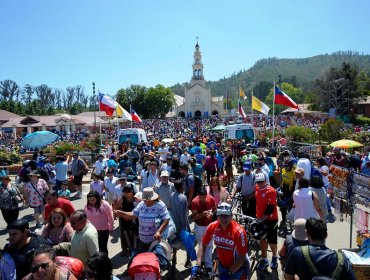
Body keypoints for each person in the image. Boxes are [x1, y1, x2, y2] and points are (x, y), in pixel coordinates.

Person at [284, 218, 355, 280]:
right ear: (326, 235)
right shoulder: (341, 258)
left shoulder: (297, 252)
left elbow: (287, 277)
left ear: (306, 233)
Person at [193, 203, 249, 279]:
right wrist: (198, 264)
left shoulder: (239, 232)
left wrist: (229, 272)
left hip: (237, 268)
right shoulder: (212, 226)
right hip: (222, 266)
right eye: (221, 215)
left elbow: (242, 257)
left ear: (231, 216)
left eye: (227, 215)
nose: (224, 218)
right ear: (217, 216)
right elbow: (203, 245)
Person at [113, 187, 170, 252]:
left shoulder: (160, 205)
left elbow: (166, 219)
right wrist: (121, 213)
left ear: (153, 198)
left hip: (155, 240)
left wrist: (159, 231)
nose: (146, 201)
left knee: (154, 260)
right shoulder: (142, 204)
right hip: (142, 239)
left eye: (148, 200)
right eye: (145, 199)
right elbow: (133, 214)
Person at [254, 173, 279, 270]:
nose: (259, 183)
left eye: (261, 181)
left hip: (271, 220)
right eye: (258, 182)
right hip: (260, 219)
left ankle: (274, 257)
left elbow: (270, 208)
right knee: (262, 240)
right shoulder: (256, 188)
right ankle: (264, 259)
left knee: (272, 241)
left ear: (265, 180)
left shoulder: (271, 191)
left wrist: (261, 219)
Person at [190, 187, 216, 274]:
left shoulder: (211, 199)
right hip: (199, 226)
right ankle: (201, 262)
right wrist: (202, 214)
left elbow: (215, 210)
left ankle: (208, 265)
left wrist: (212, 214)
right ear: (198, 196)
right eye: (200, 197)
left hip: (209, 226)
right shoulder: (194, 202)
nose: (203, 199)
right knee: (201, 245)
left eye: (204, 197)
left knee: (209, 245)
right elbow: (194, 217)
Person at [169, 179, 191, 268]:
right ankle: (188, 261)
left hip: (174, 225)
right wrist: (185, 227)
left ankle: (174, 257)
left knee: (174, 243)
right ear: (182, 187)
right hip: (182, 225)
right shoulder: (183, 198)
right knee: (188, 243)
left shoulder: (171, 195)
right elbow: (183, 214)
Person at [115, 184, 138, 256]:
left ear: (131, 192)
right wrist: (121, 215)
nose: (126, 195)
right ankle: (124, 249)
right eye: (124, 193)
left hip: (134, 219)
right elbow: (117, 207)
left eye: (127, 193)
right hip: (124, 219)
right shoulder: (122, 198)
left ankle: (133, 251)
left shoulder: (136, 198)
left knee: (134, 236)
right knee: (124, 235)